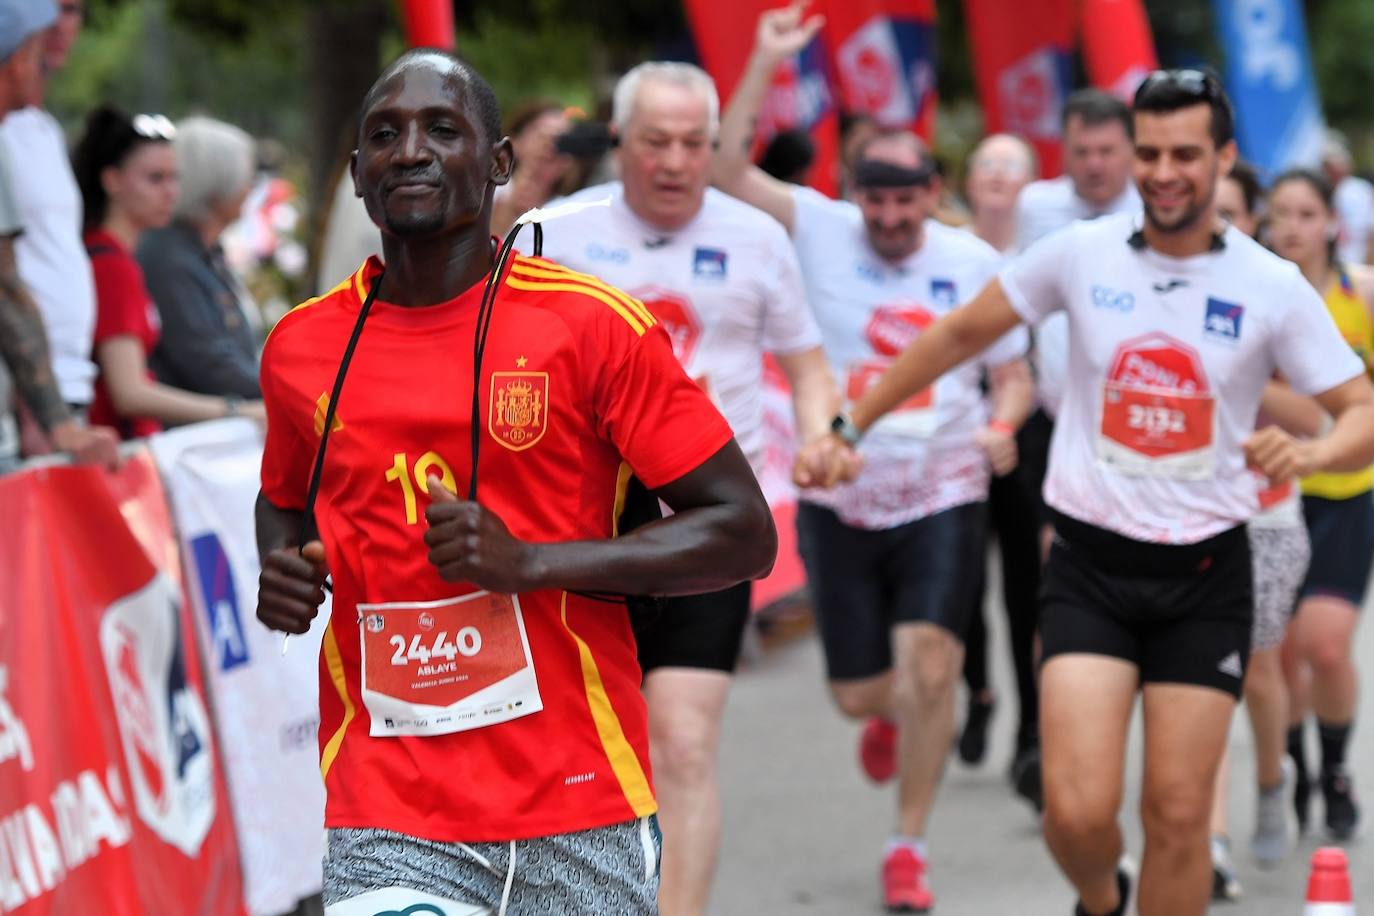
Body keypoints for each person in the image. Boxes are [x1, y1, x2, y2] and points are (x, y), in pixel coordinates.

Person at [798, 69, 1374, 916]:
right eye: (1149, 153)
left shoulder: (1268, 284)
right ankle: (1102, 898)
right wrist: (849, 428)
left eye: (1185, 153)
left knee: (1178, 815)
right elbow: (958, 334)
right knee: (1074, 813)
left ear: (1223, 157)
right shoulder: (1080, 253)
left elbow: (1360, 405)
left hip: (1206, 575)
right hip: (1091, 569)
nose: (1164, 172)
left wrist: (1317, 446)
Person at [253, 49, 777, 915]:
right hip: (389, 804)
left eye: (442, 130)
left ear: (498, 165)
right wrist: (283, 568)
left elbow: (741, 530)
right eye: (385, 135)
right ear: (356, 176)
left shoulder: (590, 328)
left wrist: (534, 563)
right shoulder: (303, 348)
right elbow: (283, 499)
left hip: (578, 798)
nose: (411, 151)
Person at [712, 6, 1034, 910]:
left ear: (934, 195)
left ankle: (908, 844)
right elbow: (725, 168)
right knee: (864, 695)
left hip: (943, 485)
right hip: (838, 489)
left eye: (907, 201)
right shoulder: (815, 228)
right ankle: (893, 717)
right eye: (876, 200)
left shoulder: (972, 262)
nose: (890, 218)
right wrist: (765, 61)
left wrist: (1003, 423)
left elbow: (1013, 374)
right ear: (853, 193)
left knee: (934, 660)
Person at [536, 61, 836, 916]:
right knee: (587, 746)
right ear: (620, 140)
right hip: (584, 532)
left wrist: (821, 435)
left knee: (683, 741)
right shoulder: (553, 235)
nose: (674, 162)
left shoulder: (756, 237)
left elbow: (808, 367)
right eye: (655, 142)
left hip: (706, 526)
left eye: (694, 144)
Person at [1205, 160, 1316, 899]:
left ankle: (1273, 780)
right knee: (1200, 676)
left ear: (1254, 222)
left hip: (1269, 517)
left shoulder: (1279, 298)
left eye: (1230, 213)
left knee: (1259, 671)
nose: (1215, 225)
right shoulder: (1153, 286)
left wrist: (1235, 370)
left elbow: (1322, 416)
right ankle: (1208, 839)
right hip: (1183, 519)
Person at [1267, 168, 1374, 843]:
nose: (1295, 227)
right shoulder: (1252, 295)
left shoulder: (1359, 293)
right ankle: (1296, 766)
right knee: (1281, 660)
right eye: (1282, 214)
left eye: (1308, 214)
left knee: (1326, 646)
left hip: (1346, 494)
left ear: (1330, 223)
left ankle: (1334, 768)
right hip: (1271, 500)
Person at [72, 106, 264, 439]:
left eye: (174, 177)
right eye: (155, 178)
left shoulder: (122, 258)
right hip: (122, 449)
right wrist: (239, 410)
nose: (171, 191)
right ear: (113, 181)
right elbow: (129, 392)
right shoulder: (113, 265)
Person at [0, 0, 117, 471]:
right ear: (12, 60)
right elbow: (6, 291)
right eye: (32, 54)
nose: (39, 67)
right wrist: (53, 420)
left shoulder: (37, 131)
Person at [956, 131, 1040, 774]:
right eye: (987, 164)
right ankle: (977, 691)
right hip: (952, 433)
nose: (998, 177)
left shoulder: (1043, 255)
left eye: (1012, 168)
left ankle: (1032, 727)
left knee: (1025, 584)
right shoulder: (946, 251)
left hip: (1025, 431)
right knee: (959, 584)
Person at [138, 115, 263, 401]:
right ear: (218, 187)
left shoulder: (201, 252)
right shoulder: (170, 259)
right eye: (246, 176)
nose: (250, 187)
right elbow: (208, 361)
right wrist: (285, 392)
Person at [490, 99, 572, 234]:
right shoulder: (487, 193)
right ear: (514, 142)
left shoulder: (568, 212)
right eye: (540, 133)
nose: (550, 144)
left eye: (562, 139)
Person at [1321, 130, 1374, 268]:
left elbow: (1371, 231)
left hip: (1360, 263)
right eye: (1329, 165)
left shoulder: (1361, 190)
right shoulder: (1321, 191)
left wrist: (1369, 265)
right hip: (1335, 267)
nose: (1334, 169)